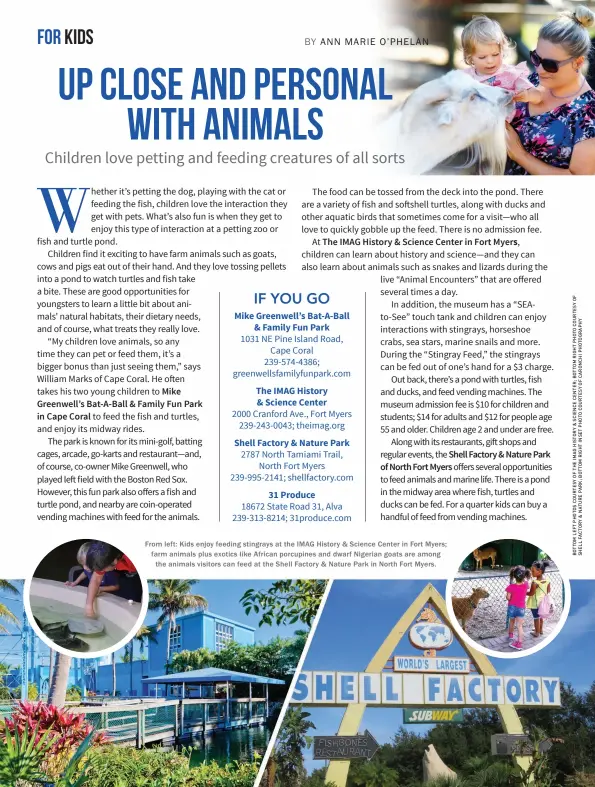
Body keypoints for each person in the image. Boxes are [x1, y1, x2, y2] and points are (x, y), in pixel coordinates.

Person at [506, 7, 595, 174]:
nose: (539, 69)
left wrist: (519, 155)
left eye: (550, 65)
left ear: (578, 62)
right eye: (536, 58)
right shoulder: (530, 81)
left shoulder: (589, 113)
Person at [461, 16, 544, 118]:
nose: (490, 61)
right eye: (482, 57)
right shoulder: (465, 77)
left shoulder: (511, 75)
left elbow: (538, 96)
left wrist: (527, 95)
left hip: (502, 127)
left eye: (495, 54)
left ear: (502, 50)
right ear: (470, 57)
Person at [84, 542, 137, 618]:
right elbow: (96, 579)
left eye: (102, 569)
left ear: (114, 561)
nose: (100, 572)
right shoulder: (103, 556)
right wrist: (89, 606)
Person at [505, 565, 530, 650]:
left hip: (512, 607)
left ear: (514, 576)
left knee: (511, 621)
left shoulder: (510, 587)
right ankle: (519, 643)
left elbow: (508, 597)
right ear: (524, 575)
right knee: (520, 626)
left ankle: (511, 635)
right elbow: (527, 585)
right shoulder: (526, 585)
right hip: (521, 608)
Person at [527, 560, 551, 637]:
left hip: (535, 603)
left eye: (533, 571)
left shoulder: (535, 582)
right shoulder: (547, 580)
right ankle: (540, 630)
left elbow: (531, 593)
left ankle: (536, 633)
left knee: (536, 618)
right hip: (543, 602)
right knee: (541, 616)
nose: (531, 573)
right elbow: (548, 591)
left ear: (539, 571)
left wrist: (525, 592)